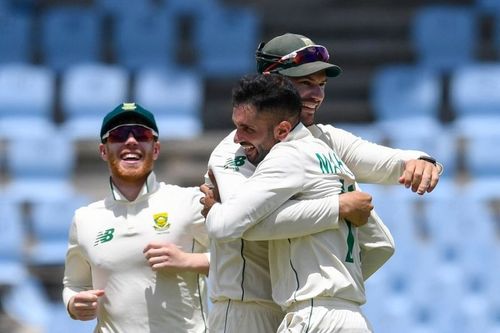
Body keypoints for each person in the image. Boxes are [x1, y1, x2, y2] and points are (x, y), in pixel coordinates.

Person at [201, 33, 443, 333]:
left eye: (321, 84)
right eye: (305, 83)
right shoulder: (235, 151)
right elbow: (242, 225)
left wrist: (423, 160)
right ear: (272, 83)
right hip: (244, 310)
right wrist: (336, 208)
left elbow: (391, 162)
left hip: (298, 309)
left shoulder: (321, 140)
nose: (317, 95)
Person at [202, 73, 380, 332]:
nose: (237, 139)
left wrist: (214, 209)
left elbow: (224, 226)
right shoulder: (330, 157)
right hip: (353, 317)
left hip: (312, 317)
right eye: (236, 126)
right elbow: (381, 244)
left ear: (283, 130)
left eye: (248, 129)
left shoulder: (287, 154)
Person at [62, 102, 210, 333]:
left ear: (156, 149)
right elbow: (74, 284)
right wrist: (73, 304)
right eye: (119, 135)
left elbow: (239, 260)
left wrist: (187, 261)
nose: (131, 141)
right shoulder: (84, 218)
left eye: (141, 134)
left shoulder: (189, 201)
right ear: (103, 151)